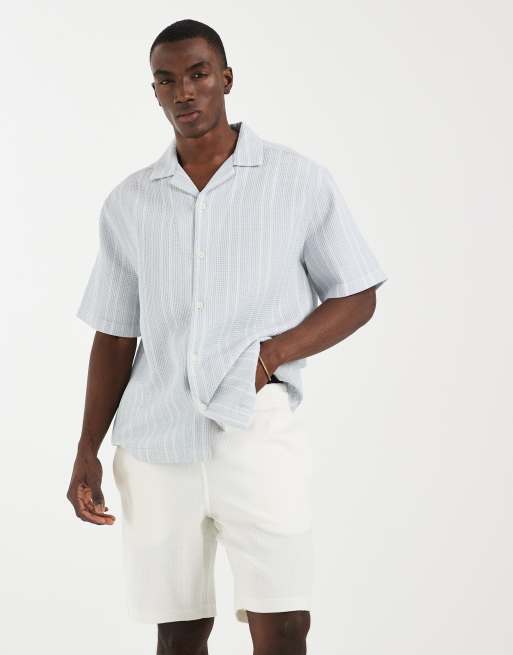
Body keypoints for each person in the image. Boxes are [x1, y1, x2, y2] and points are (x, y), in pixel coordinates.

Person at [67, 18, 388, 655]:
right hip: (156, 444)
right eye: (166, 80)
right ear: (154, 92)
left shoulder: (296, 181)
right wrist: (86, 450)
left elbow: (357, 293)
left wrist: (271, 356)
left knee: (285, 622)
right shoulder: (130, 203)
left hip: (255, 430)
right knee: (179, 631)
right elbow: (115, 335)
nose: (184, 91)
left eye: (198, 74)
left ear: (226, 78)